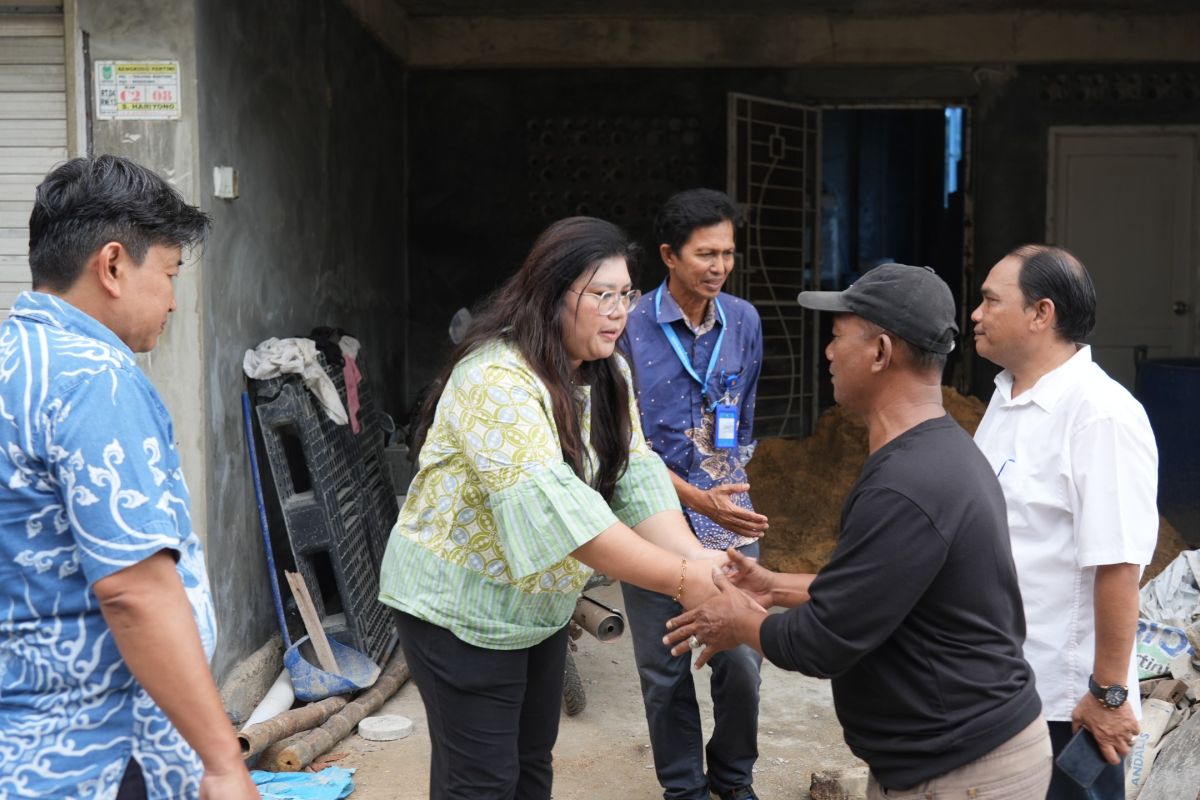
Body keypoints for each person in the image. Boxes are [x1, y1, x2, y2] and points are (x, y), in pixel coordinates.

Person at [664, 263, 1052, 799]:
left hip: (964, 771)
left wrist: (742, 621)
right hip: (947, 758)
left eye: (836, 336)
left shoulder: (907, 484)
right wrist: (774, 587)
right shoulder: (933, 453)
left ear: (880, 353)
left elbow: (823, 643)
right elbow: (881, 595)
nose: (827, 352)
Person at [377, 216, 725, 800]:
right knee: (481, 781)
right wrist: (687, 580)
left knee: (531, 765)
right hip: (461, 610)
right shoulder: (496, 379)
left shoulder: (607, 370)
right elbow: (557, 514)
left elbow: (636, 474)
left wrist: (700, 559)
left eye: (626, 294)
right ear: (551, 295)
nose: (619, 311)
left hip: (537, 608)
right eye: (602, 295)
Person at [0, 156, 257, 799]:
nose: (173, 299)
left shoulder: (15, 360)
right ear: (113, 265)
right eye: (169, 274)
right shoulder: (95, 379)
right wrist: (223, 762)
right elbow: (134, 591)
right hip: (97, 755)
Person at [971, 245, 1158, 799]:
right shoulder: (1005, 398)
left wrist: (1107, 696)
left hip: (1066, 705)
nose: (976, 314)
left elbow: (1119, 564)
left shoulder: (1100, 414)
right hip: (1001, 684)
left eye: (989, 300)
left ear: (1041, 314)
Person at [618, 188, 766, 800]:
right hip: (649, 520)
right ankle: (683, 788)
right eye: (706, 254)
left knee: (742, 661)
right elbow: (621, 439)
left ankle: (733, 780)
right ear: (668, 256)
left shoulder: (745, 321)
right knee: (665, 667)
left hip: (726, 518)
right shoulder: (626, 326)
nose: (719, 267)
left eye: (727, 253)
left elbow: (743, 415)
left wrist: (724, 495)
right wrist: (693, 497)